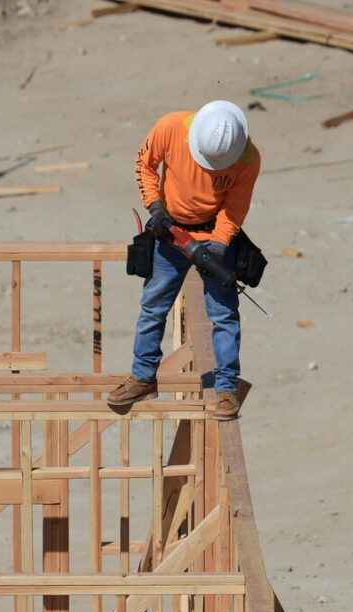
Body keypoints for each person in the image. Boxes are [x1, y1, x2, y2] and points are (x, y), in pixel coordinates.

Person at [108, 100, 261, 420]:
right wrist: (155, 207)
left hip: (215, 235)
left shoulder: (247, 157)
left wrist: (217, 248)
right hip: (170, 233)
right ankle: (143, 377)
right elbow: (145, 165)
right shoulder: (171, 128)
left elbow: (234, 209)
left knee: (224, 315)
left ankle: (226, 388)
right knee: (153, 305)